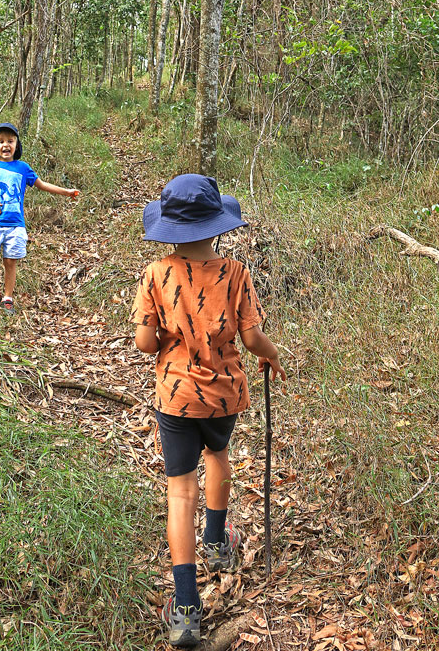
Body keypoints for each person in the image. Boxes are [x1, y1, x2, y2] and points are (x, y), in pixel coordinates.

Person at [131, 173, 286, 648]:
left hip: (175, 396)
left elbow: (143, 342)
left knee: (180, 493)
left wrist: (165, 340)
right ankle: (218, 543)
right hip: (223, 396)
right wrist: (272, 355)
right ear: (217, 225)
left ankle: (185, 609)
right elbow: (252, 337)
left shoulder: (156, 273)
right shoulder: (236, 273)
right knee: (218, 457)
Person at [0, 122, 79, 312]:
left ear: (17, 144)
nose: (5, 145)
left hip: (15, 225)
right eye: (0, 141)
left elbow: (41, 184)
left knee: (10, 261)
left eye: (10, 141)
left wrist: (66, 192)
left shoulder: (23, 168)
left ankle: (8, 297)